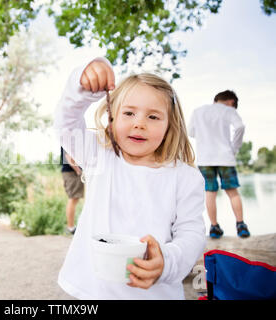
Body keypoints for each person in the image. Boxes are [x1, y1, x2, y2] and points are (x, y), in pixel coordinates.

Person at [53, 57, 206, 299]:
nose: (139, 124)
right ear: (112, 119)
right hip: (94, 291)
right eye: (129, 113)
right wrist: (81, 82)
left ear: (170, 125)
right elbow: (65, 123)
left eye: (153, 117)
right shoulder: (98, 156)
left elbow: (192, 232)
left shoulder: (186, 176)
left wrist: (167, 261)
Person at [188, 90, 250, 239]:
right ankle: (241, 225)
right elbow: (240, 127)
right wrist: (233, 149)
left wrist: (205, 137)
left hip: (205, 158)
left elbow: (191, 132)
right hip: (225, 157)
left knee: (210, 192)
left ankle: (214, 227)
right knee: (232, 191)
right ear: (230, 102)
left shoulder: (198, 111)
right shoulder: (228, 110)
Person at [61, 147, 84, 235]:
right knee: (73, 198)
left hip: (71, 172)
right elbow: (69, 157)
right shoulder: (69, 138)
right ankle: (71, 227)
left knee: (74, 199)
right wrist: (78, 171)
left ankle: (71, 227)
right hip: (72, 173)